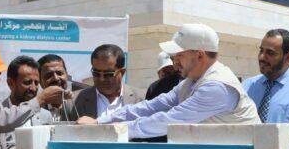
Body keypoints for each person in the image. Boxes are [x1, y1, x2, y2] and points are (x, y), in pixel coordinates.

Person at [78, 23, 260, 138]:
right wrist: (100, 122)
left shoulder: (217, 87)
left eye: (179, 55)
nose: (175, 62)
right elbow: (152, 106)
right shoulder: (191, 82)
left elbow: (169, 120)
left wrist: (109, 130)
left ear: (199, 55)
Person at [73, 44, 145, 118]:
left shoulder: (142, 99)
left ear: (122, 72)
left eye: (108, 74)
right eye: (96, 73)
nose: (102, 79)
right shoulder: (74, 102)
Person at [37, 54, 80, 120]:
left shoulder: (80, 102)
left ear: (66, 75)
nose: (56, 78)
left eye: (59, 73)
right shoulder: (35, 110)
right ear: (40, 81)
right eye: (49, 75)